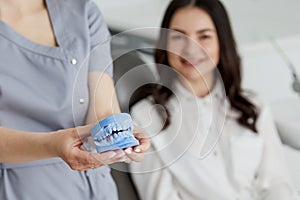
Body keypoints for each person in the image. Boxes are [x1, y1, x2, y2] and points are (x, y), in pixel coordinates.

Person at [129, 0, 297, 199]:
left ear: (222, 41)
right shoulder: (147, 117)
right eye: (178, 36)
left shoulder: (254, 106)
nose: (191, 49)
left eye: (204, 36)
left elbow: (277, 183)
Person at [0, 0, 149, 199]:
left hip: (97, 185)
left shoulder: (82, 10)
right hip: (22, 188)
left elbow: (103, 108)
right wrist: (52, 145)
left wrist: (122, 137)